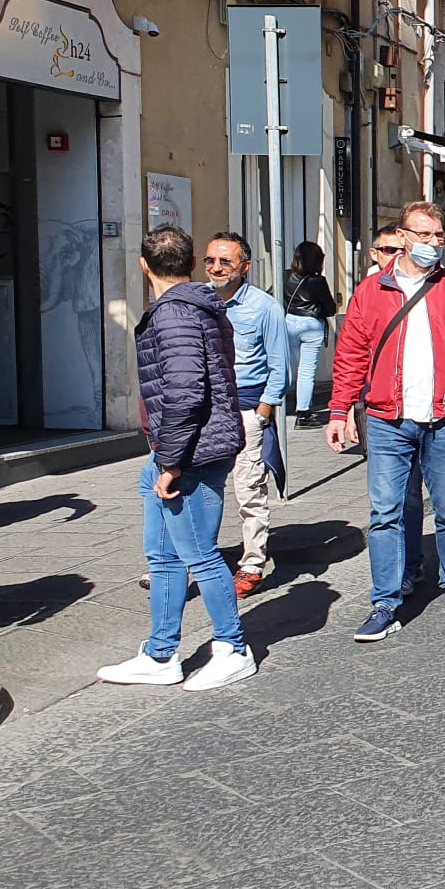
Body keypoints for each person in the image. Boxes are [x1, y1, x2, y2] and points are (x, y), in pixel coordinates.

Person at [99, 228, 256, 691]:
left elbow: (185, 394)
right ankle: (161, 653)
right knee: (163, 555)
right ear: (190, 262)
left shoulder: (176, 314)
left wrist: (169, 463)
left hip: (190, 453)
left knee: (199, 554)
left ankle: (233, 647)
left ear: (143, 266)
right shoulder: (198, 306)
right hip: (180, 448)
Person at [326, 201, 445, 640]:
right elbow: (351, 354)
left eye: (439, 236)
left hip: (443, 418)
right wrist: (339, 410)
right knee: (385, 513)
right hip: (386, 418)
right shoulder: (371, 291)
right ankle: (385, 601)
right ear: (405, 238)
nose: (434, 243)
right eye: (425, 235)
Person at [203, 233, 289, 599]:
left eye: (225, 261)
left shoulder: (264, 307)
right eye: (210, 261)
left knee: (248, 490)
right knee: (199, 490)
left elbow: (279, 365)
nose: (216, 268)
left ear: (245, 267)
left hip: (246, 409)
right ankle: (195, 559)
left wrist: (264, 411)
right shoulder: (197, 301)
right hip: (204, 411)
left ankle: (252, 563)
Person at [283, 241, 337, 427]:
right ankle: (303, 413)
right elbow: (330, 308)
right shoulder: (318, 281)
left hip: (289, 321)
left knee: (286, 366)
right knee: (306, 371)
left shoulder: (285, 276)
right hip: (311, 325)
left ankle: (277, 405)